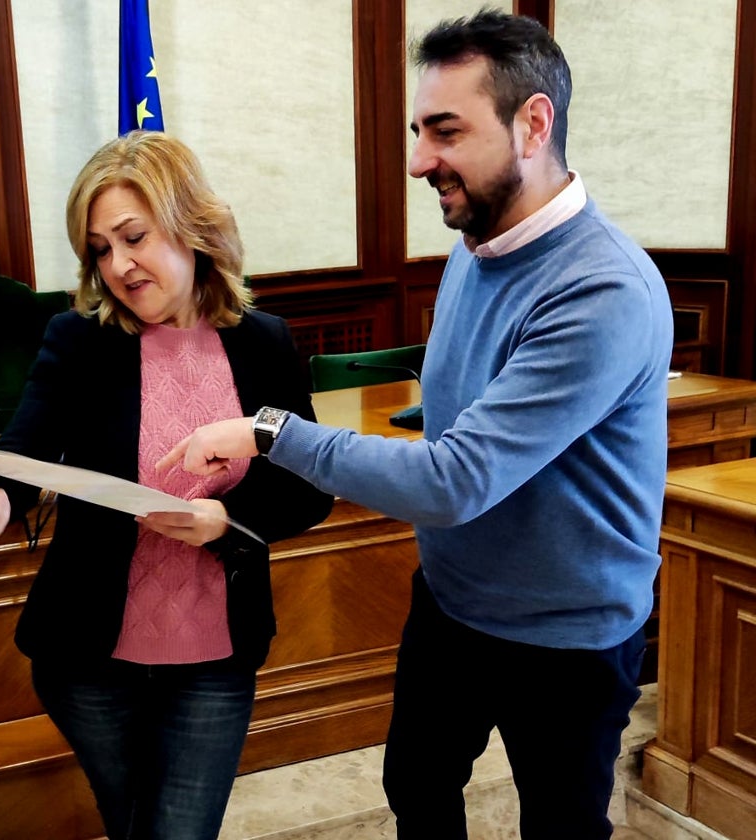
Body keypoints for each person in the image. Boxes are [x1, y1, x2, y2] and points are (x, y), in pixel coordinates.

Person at [158, 9, 673, 840]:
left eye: (445, 131)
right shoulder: (477, 244)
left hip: (566, 638)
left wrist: (269, 431)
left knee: (563, 826)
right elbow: (455, 426)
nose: (416, 160)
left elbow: (454, 478)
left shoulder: (603, 289)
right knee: (417, 786)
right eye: (416, 129)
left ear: (532, 124)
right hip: (452, 605)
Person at [0, 130, 333, 840]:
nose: (117, 265)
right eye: (98, 248)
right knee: (133, 827)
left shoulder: (263, 341)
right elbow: (23, 457)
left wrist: (226, 518)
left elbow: (309, 487)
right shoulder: (78, 341)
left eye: (133, 237)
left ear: (189, 224)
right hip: (89, 658)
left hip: (214, 656)